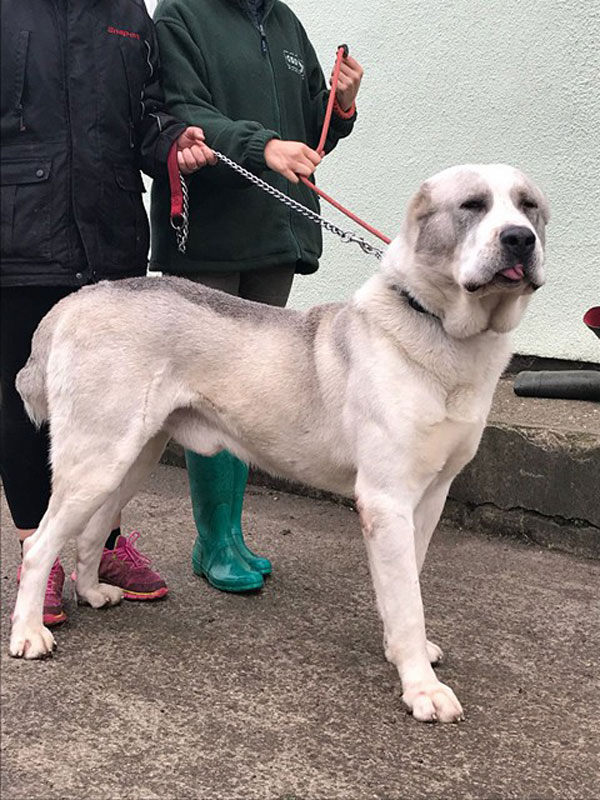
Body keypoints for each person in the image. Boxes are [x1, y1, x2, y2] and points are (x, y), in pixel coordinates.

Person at [0, 0, 214, 625]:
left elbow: (146, 115)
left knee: (119, 404)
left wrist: (173, 139)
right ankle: (37, 553)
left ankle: (105, 544)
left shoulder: (128, 11)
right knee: (21, 401)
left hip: (109, 235)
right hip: (18, 235)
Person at [150, 0, 363, 592]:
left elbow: (311, 132)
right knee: (208, 393)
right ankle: (212, 539)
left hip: (276, 234)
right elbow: (182, 114)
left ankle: (232, 534)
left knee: (249, 395)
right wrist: (263, 145)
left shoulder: (286, 23)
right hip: (208, 237)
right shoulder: (180, 16)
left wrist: (339, 106)